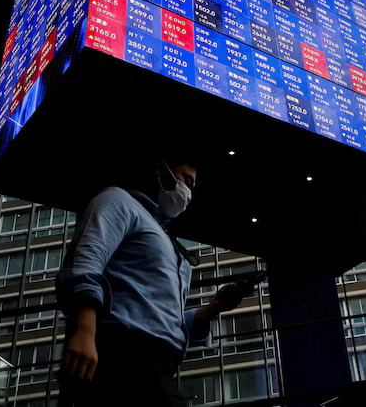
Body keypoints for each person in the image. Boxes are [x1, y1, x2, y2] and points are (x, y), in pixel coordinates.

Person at [55, 156, 256, 405]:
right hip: (121, 356)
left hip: (156, 367)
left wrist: (214, 308)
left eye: (192, 188)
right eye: (187, 181)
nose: (188, 193)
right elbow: (86, 260)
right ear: (161, 169)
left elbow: (158, 317)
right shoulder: (119, 200)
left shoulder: (164, 236)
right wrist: (84, 331)